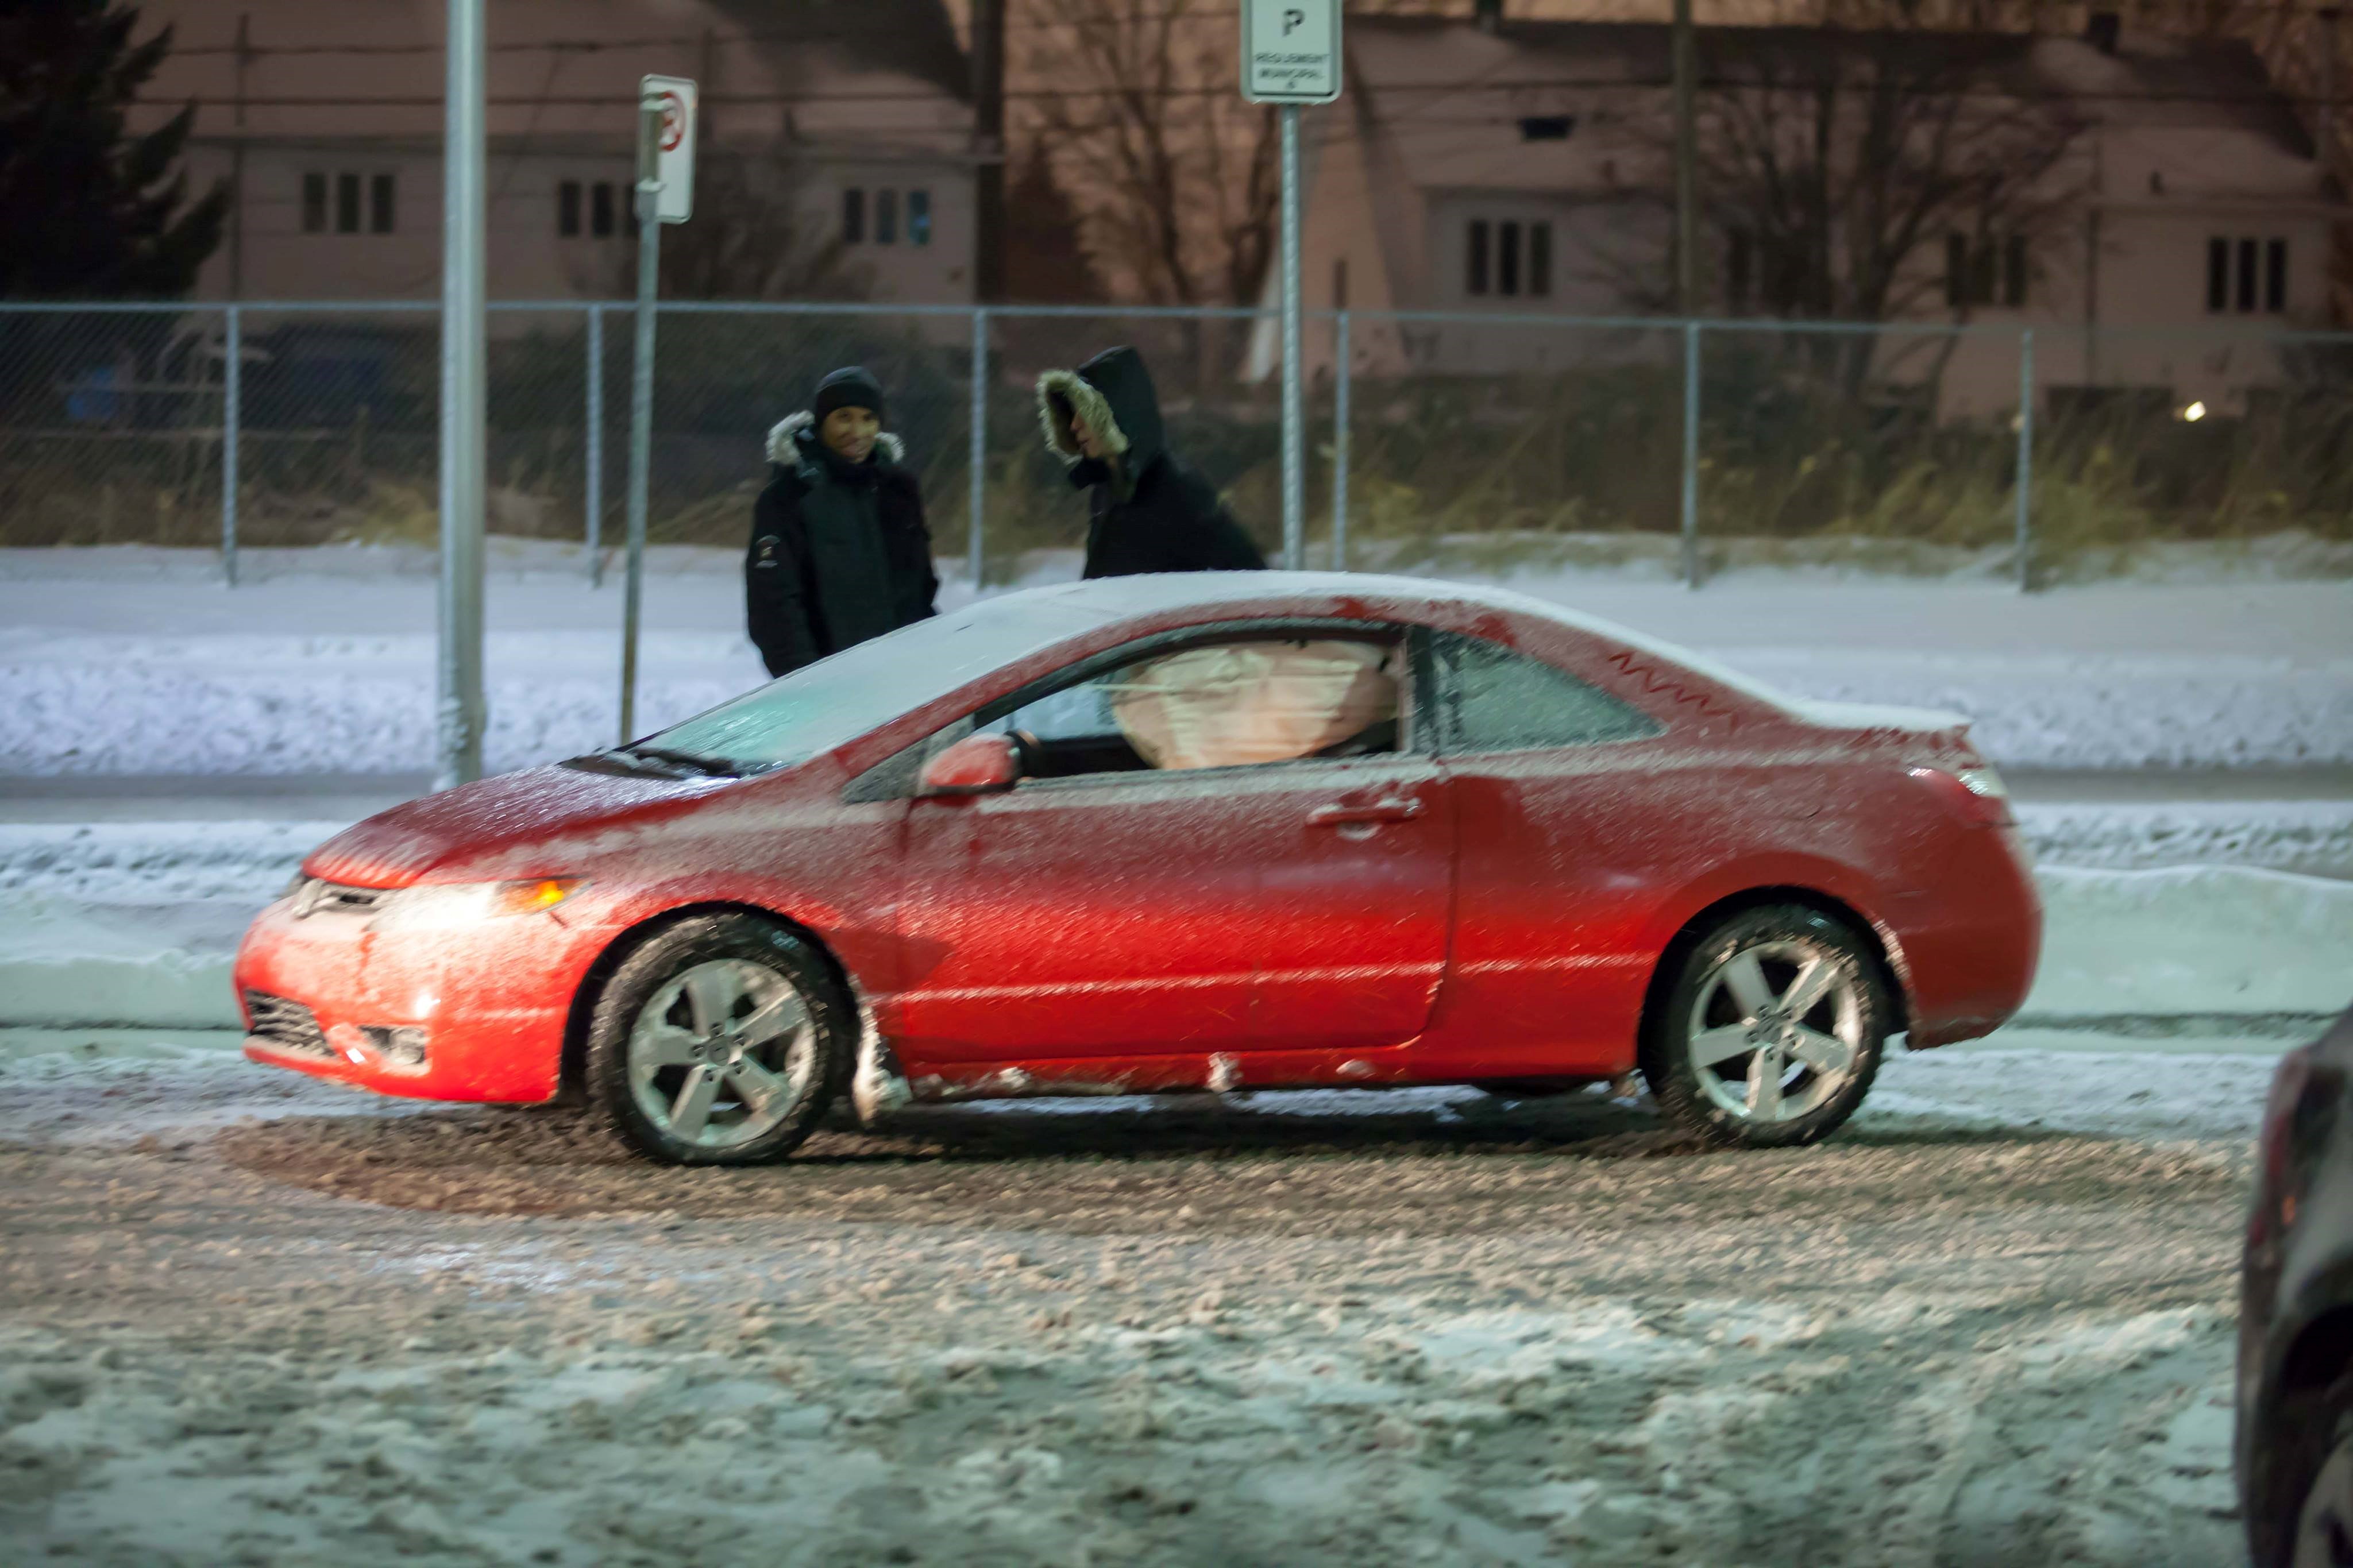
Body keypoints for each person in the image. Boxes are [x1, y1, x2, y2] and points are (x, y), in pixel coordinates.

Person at [746, 366, 939, 678]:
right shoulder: (788, 496)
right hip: (824, 686)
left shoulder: (899, 490)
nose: (857, 431)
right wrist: (805, 682)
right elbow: (774, 605)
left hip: (901, 679)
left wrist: (922, 666)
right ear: (823, 421)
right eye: (844, 417)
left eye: (868, 419)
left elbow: (919, 590)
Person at [1035, 345, 1267, 579]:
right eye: (1072, 413)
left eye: (1086, 412)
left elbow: (1250, 575)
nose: (1075, 425)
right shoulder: (1106, 487)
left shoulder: (1177, 490)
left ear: (1117, 414)